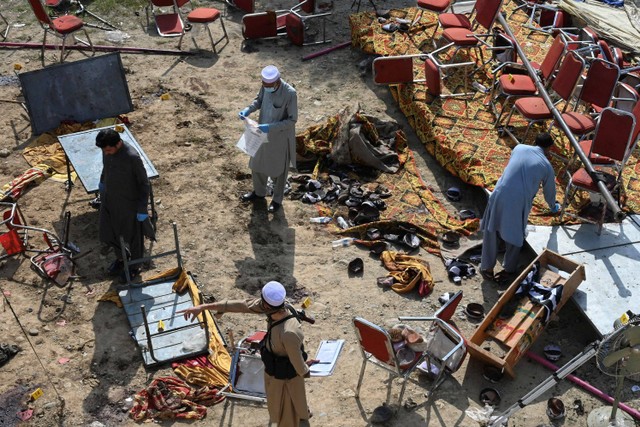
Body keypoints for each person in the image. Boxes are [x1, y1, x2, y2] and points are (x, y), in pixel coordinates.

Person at [179, 281, 315, 427]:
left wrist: (304, 369)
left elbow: (298, 364)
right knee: (291, 405)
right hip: (277, 371)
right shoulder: (277, 308)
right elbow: (242, 305)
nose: (259, 304)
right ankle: (302, 413)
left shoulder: (289, 332)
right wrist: (203, 307)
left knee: (287, 415)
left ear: (267, 306)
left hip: (285, 377)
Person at [480, 133, 560, 284]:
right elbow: (550, 193)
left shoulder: (519, 148)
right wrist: (554, 207)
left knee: (491, 230)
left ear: (534, 141)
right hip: (518, 201)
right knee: (515, 237)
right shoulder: (547, 166)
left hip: (499, 192)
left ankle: (487, 268)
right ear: (550, 148)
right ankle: (509, 269)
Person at [238, 65, 298, 214]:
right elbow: (259, 100)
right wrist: (248, 109)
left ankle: (277, 200)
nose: (267, 88)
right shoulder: (266, 87)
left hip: (279, 137)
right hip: (260, 133)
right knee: (257, 164)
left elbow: (292, 121)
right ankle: (259, 193)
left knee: (278, 171)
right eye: (265, 85)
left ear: (277, 82)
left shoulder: (290, 94)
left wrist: (269, 127)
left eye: (270, 86)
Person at [96, 128, 150, 279]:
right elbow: (105, 168)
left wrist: (142, 208)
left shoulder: (132, 157)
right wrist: (102, 183)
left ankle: (134, 266)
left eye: (108, 150)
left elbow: (144, 184)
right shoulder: (106, 150)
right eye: (104, 150)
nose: (106, 153)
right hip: (109, 199)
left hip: (128, 203)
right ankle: (121, 258)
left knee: (134, 237)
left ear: (118, 143)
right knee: (108, 233)